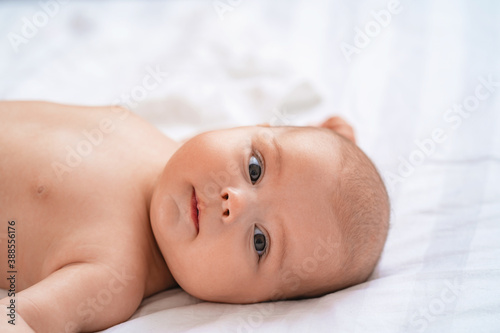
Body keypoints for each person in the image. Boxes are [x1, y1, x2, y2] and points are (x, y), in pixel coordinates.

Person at [0, 101, 389, 333]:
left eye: (260, 242)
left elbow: (23, 318)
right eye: (255, 169)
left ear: (250, 303)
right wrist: (327, 139)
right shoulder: (170, 148)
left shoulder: (115, 277)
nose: (233, 202)